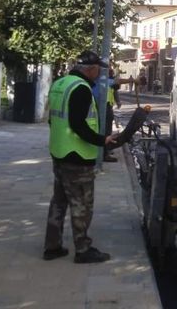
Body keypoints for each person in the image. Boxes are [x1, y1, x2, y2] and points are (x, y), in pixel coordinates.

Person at [43, 50, 118, 263]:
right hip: (77, 157)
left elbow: (53, 120)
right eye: (97, 71)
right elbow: (78, 124)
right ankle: (83, 249)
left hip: (59, 152)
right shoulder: (81, 89)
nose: (98, 75)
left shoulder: (60, 84)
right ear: (91, 69)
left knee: (58, 202)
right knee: (81, 204)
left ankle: (52, 247)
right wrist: (101, 140)